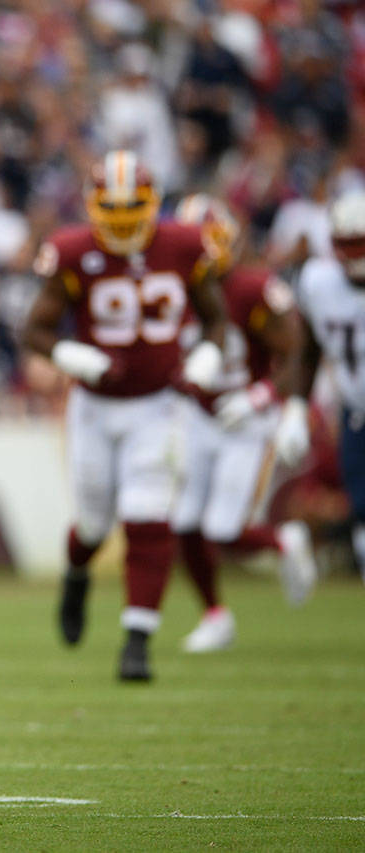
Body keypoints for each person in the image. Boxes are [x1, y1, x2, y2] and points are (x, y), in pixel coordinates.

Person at [21, 150, 229, 681]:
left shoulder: (184, 244)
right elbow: (35, 331)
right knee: (92, 522)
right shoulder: (71, 251)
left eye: (130, 208)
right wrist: (74, 356)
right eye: (108, 209)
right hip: (94, 407)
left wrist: (205, 357)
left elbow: (216, 320)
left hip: (159, 405)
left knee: (147, 513)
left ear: (153, 203)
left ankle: (137, 639)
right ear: (92, 206)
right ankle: (77, 573)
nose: (119, 221)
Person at [169, 195, 317, 653]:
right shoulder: (173, 291)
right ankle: (215, 615)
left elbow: (295, 352)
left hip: (247, 422)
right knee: (185, 522)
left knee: (224, 529)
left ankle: (284, 542)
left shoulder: (253, 288)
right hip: (201, 417)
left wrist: (261, 398)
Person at [282, 190, 365, 580]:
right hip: (356, 411)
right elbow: (309, 349)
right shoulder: (317, 281)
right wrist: (297, 409)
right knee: (362, 513)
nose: (356, 254)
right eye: (348, 244)